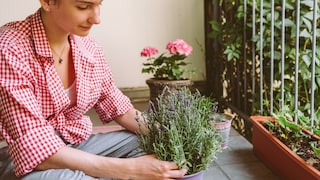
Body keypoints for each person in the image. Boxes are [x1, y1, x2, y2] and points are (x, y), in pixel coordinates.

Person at [0, 0, 187, 179]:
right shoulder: (9, 49)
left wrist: (169, 135)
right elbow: (36, 148)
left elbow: (119, 107)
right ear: (47, 1)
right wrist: (130, 170)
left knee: (154, 146)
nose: (96, 19)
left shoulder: (88, 48)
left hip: (74, 145)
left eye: (99, 4)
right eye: (83, 6)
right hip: (22, 159)